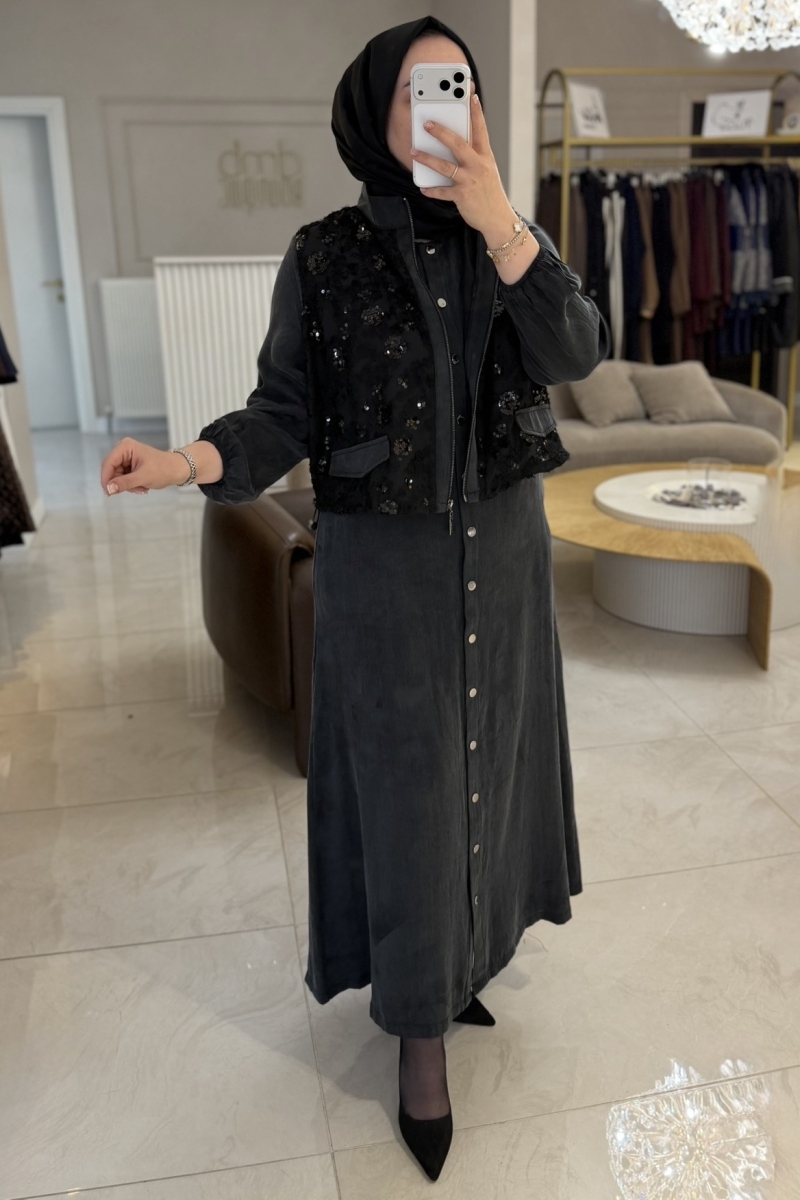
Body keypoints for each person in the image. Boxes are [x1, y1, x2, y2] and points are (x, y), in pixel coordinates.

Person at [100, 16, 608, 1182]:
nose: (444, 109)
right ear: (376, 113)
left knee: (493, 767)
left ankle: (466, 963)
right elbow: (282, 412)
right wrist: (184, 462)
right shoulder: (323, 254)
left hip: (503, 554)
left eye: (459, 87)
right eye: (420, 90)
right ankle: (417, 1036)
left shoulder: (509, 239)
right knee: (411, 793)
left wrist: (502, 224)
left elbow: (577, 354)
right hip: (386, 574)